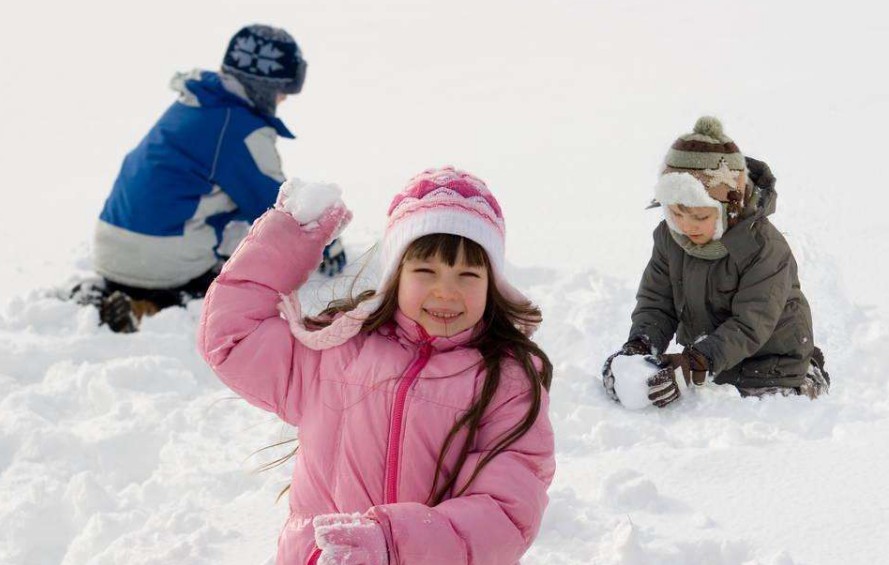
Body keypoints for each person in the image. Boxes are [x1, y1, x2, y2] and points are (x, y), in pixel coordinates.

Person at [198, 166, 555, 564]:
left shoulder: (505, 382)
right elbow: (231, 336)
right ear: (395, 276)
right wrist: (289, 238)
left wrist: (394, 543)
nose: (446, 291)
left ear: (492, 285)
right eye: (425, 270)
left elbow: (506, 511)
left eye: (468, 274)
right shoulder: (338, 350)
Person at [85, 24, 346, 333]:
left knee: (224, 213)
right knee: (241, 271)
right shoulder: (240, 130)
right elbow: (279, 208)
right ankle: (157, 305)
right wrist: (325, 246)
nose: (284, 100)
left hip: (109, 245)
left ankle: (110, 292)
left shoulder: (193, 104)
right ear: (263, 87)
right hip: (162, 259)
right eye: (283, 91)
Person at [603, 117, 830, 408]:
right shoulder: (669, 238)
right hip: (712, 361)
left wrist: (696, 362)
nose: (686, 226)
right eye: (675, 213)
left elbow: (751, 324)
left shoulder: (764, 248)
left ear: (730, 208)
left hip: (770, 366)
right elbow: (658, 301)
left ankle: (810, 375)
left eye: (700, 216)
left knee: (767, 411)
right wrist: (640, 347)